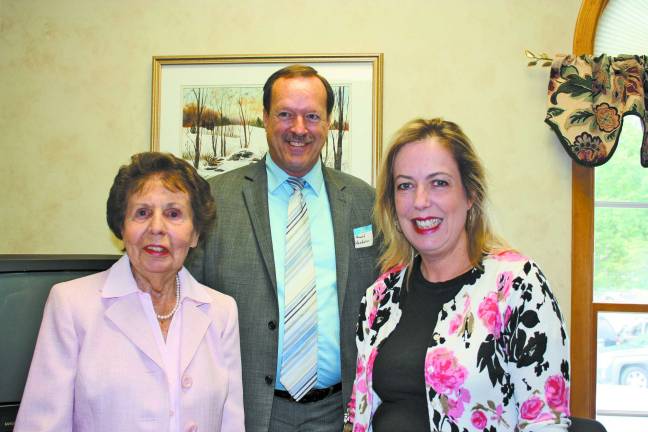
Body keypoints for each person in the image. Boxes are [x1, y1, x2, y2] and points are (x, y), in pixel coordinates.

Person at [187, 65, 380, 432]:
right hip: (247, 411)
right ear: (264, 119)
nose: (298, 129)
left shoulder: (363, 203)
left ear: (328, 123)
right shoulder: (213, 201)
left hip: (340, 411)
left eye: (312, 116)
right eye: (285, 115)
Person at [344, 118, 571, 431]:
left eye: (439, 182)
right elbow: (360, 413)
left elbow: (546, 421)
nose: (421, 202)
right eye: (405, 186)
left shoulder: (516, 286)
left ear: (470, 195)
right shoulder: (379, 298)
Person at [15, 152, 244, 432]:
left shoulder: (222, 311)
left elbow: (231, 424)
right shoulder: (72, 305)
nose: (157, 228)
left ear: (195, 233)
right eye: (142, 213)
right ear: (122, 228)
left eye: (173, 214)